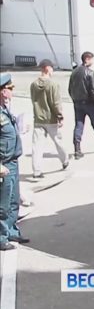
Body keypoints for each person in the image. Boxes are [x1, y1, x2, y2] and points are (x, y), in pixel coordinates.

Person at [0, 73, 30, 250]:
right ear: (2, 91)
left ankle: (11, 231)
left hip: (13, 161)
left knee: (13, 201)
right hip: (4, 165)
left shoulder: (4, 108)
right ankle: (1, 237)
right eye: (10, 89)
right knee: (3, 204)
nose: (12, 91)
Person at [30, 59, 69, 177]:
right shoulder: (53, 84)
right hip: (51, 119)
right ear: (47, 68)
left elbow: (33, 100)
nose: (52, 71)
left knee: (37, 145)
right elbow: (55, 103)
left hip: (38, 118)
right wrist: (60, 116)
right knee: (58, 141)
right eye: (52, 68)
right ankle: (65, 160)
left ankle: (36, 171)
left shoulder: (33, 84)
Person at [68, 51, 94, 159]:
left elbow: (70, 89)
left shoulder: (74, 72)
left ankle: (77, 150)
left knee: (78, 125)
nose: (92, 61)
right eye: (91, 59)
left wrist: (75, 100)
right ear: (87, 59)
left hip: (78, 103)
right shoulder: (90, 73)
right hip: (89, 103)